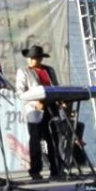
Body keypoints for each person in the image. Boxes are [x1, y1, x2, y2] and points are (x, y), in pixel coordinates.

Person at [15, 45, 64, 181]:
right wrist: (35, 102)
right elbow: (20, 92)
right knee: (35, 140)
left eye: (34, 58)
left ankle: (56, 169)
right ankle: (35, 170)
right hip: (35, 109)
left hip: (51, 106)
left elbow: (55, 86)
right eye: (30, 58)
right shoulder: (24, 72)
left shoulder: (49, 70)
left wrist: (60, 100)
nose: (31, 60)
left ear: (40, 58)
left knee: (53, 138)